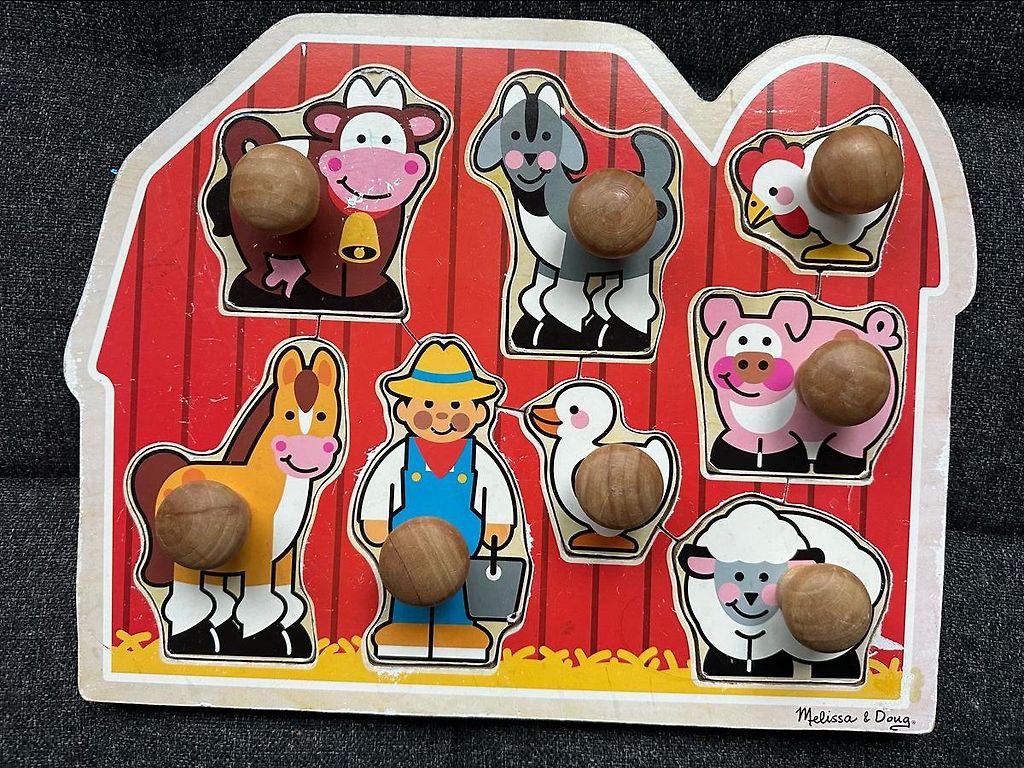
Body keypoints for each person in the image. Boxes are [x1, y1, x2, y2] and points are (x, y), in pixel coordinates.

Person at [357, 339, 517, 661]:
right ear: (403, 410)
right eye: (428, 404)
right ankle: (401, 627)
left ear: (479, 413)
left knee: (458, 587)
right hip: (405, 550)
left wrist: (498, 523)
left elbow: (495, 489)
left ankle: (459, 630)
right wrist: (375, 520)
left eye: (456, 406)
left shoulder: (479, 458)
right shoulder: (400, 455)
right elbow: (381, 486)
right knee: (410, 577)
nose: (442, 415)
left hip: (465, 546)